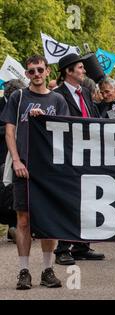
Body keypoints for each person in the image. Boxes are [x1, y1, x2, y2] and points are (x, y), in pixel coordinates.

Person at [0, 55, 70, 290]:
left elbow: (65, 133)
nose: (36, 74)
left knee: (49, 220)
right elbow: (10, 131)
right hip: (24, 168)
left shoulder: (58, 99)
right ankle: (23, 271)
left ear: (47, 71)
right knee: (23, 220)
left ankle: (48, 270)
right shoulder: (18, 98)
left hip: (49, 170)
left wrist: (46, 118)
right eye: (31, 71)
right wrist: (16, 161)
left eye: (40, 69)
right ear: (27, 74)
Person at [53, 53, 105, 265]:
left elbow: (92, 118)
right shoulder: (57, 95)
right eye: (81, 68)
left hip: (88, 153)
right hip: (68, 154)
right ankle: (62, 248)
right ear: (69, 71)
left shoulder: (84, 92)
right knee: (70, 201)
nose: (84, 71)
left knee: (88, 199)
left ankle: (81, 246)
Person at [0, 79, 26, 243]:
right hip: (2, 153)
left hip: (19, 153)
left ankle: (15, 226)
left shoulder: (23, 104)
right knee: (5, 190)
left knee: (15, 189)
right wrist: (9, 129)